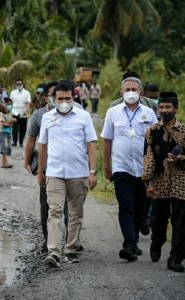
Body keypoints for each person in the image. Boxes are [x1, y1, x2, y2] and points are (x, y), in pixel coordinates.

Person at [37, 80, 98, 268]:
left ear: (73, 98)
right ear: (53, 99)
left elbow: (91, 144)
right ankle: (54, 252)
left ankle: (71, 249)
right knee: (54, 211)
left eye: (67, 98)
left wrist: (92, 171)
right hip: (54, 172)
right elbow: (43, 147)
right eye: (60, 98)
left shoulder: (83, 116)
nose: (64, 101)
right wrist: (41, 171)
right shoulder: (47, 118)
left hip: (78, 173)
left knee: (75, 213)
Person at [101, 74, 158, 262]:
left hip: (142, 169)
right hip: (121, 166)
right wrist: (106, 167)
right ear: (121, 92)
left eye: (134, 89)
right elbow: (107, 141)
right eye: (128, 90)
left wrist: (154, 170)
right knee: (125, 205)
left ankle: (132, 242)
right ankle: (129, 244)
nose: (131, 92)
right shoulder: (113, 112)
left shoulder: (149, 114)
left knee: (139, 207)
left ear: (140, 92)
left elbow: (154, 142)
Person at [142, 92, 185, 272]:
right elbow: (149, 157)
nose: (164, 110)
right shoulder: (152, 132)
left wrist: (180, 158)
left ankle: (175, 258)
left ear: (175, 109)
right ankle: (156, 243)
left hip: (181, 183)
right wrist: (148, 182)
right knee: (159, 220)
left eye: (168, 107)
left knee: (181, 223)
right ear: (158, 109)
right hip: (159, 182)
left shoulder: (183, 132)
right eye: (162, 107)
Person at [24, 81, 58, 253]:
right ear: (46, 98)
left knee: (67, 207)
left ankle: (69, 239)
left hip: (69, 167)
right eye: (53, 94)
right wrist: (27, 160)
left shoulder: (75, 113)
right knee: (46, 205)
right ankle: (48, 239)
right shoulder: (38, 116)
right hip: (46, 167)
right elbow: (31, 140)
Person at [140, 82, 160, 235]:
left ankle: (149, 217)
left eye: (156, 97)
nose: (154, 100)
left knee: (153, 189)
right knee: (145, 190)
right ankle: (144, 217)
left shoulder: (163, 108)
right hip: (142, 154)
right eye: (151, 98)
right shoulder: (141, 109)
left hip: (157, 153)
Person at [10, 79, 31, 147]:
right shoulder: (13, 92)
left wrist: (26, 110)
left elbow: (28, 102)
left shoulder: (26, 93)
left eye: (20, 84)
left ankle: (21, 142)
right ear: (16, 85)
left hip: (23, 112)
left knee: (23, 128)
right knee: (15, 128)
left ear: (22, 84)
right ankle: (15, 141)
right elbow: (10, 102)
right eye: (17, 84)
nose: (19, 85)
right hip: (15, 111)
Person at [0, 97, 17, 168]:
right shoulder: (1, 113)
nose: (10, 106)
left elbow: (10, 124)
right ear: (4, 104)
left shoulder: (10, 113)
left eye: (11, 104)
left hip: (8, 132)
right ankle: (4, 163)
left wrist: (11, 122)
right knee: (4, 147)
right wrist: (11, 122)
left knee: (8, 147)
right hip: (2, 132)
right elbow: (3, 124)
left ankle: (6, 161)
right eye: (8, 104)